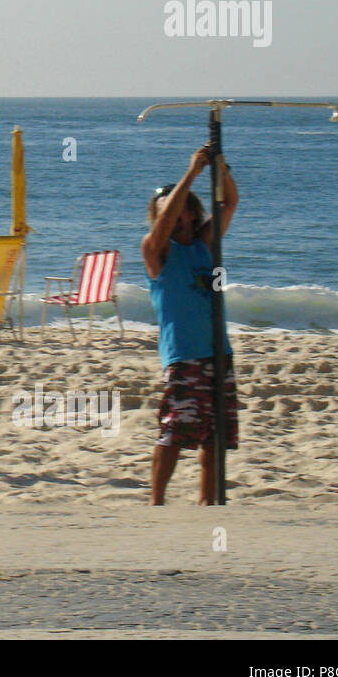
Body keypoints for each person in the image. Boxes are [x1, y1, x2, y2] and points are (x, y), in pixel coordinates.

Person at [141, 146, 240, 505]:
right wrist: (192, 173)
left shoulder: (204, 244)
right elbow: (165, 221)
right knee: (174, 432)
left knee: (216, 436)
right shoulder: (156, 250)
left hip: (218, 352)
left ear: (193, 211)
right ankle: (156, 502)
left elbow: (230, 203)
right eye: (167, 206)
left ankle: (209, 503)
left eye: (183, 205)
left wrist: (221, 169)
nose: (176, 211)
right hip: (184, 358)